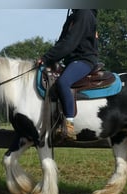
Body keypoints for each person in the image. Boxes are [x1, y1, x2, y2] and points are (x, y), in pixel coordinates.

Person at [37, 9, 99, 140]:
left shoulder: (84, 14)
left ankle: (69, 125)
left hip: (84, 60)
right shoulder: (73, 16)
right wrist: (48, 59)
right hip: (71, 61)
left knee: (63, 82)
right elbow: (61, 42)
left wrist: (47, 58)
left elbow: (70, 43)